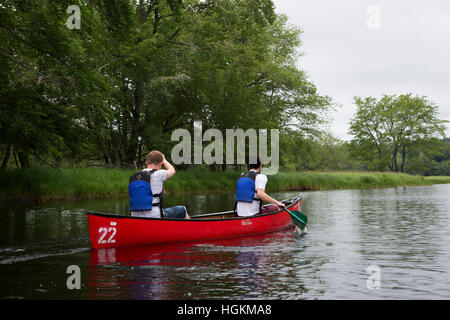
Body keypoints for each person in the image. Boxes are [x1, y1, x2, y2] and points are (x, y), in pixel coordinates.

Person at [129, 150, 190, 219]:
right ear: (160, 164)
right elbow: (172, 170)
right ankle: (191, 229)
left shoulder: (134, 177)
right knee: (183, 210)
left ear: (147, 162)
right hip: (154, 216)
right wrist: (163, 159)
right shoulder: (159, 174)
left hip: (134, 217)